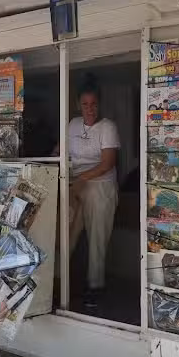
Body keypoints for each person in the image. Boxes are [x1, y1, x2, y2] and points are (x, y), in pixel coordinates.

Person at [54, 74, 120, 308]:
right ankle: (57, 282)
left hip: (100, 183)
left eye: (93, 104)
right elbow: (58, 151)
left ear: (99, 104)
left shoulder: (107, 127)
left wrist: (81, 179)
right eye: (85, 104)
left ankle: (95, 285)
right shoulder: (72, 124)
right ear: (78, 105)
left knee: (97, 237)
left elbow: (107, 163)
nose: (90, 109)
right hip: (74, 182)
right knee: (65, 232)